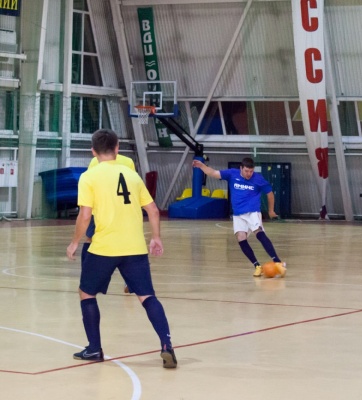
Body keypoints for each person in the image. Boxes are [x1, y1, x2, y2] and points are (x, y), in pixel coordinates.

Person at [66, 129, 177, 368]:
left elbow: (85, 215)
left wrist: (75, 241)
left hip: (103, 248)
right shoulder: (132, 175)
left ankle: (94, 349)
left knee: (86, 293)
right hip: (135, 247)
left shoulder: (89, 177)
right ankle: (167, 345)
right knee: (147, 296)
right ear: (117, 149)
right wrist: (156, 237)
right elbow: (153, 210)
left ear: (93, 152)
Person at [192, 157, 286, 278]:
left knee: (259, 233)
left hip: (252, 212)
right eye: (246, 171)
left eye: (251, 171)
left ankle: (277, 262)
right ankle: (257, 266)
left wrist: (271, 210)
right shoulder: (232, 174)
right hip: (238, 214)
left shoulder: (258, 179)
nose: (249, 174)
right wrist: (202, 166)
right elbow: (213, 173)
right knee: (241, 239)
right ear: (241, 168)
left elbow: (270, 193)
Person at [83, 154, 137, 294]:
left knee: (91, 240)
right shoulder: (128, 161)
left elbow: (90, 185)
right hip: (123, 211)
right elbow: (133, 186)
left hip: (101, 210)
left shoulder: (95, 161)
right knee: (127, 245)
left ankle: (90, 278)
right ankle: (131, 282)